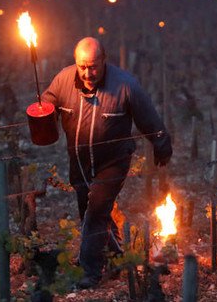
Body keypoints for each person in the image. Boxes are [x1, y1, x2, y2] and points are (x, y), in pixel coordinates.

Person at [42, 36, 172, 289]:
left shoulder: (125, 85)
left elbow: (148, 117)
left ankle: (89, 271)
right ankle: (115, 256)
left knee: (96, 212)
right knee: (87, 210)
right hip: (78, 160)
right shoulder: (63, 80)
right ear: (75, 63)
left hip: (114, 160)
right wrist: (41, 112)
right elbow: (47, 103)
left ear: (104, 60)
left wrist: (161, 143)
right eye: (82, 66)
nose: (88, 72)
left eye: (93, 66)